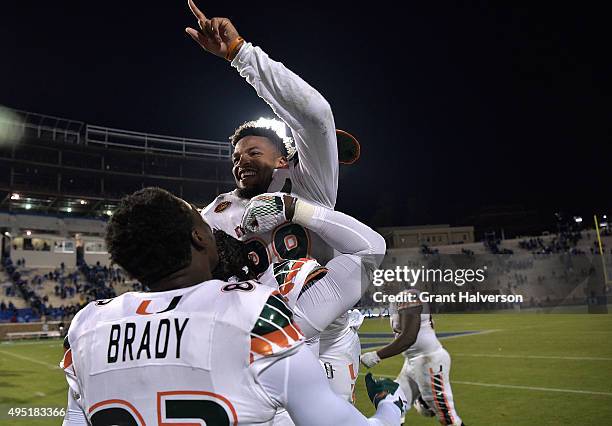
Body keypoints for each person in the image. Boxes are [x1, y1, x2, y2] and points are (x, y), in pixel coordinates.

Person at [60, 188, 406, 426]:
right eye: (200, 218)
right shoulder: (252, 312)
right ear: (199, 237)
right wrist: (392, 407)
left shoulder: (88, 326)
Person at [187, 1, 363, 406]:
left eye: (253, 153)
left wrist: (240, 55)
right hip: (254, 338)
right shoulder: (212, 214)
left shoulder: (308, 188)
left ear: (283, 160)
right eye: (236, 156)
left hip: (323, 340)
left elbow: (316, 114)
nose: (241, 160)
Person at [360, 288, 465, 426]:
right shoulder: (399, 299)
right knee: (393, 402)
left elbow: (409, 337)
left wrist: (376, 355)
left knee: (448, 417)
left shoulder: (408, 297)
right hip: (413, 362)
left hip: (429, 362)